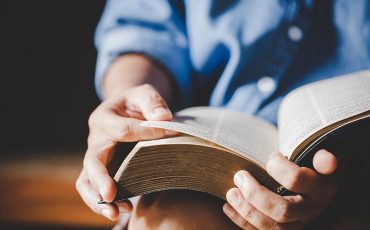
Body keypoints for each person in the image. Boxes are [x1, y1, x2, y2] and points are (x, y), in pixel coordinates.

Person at [76, 0, 370, 229]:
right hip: (198, 154)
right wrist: (129, 94)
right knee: (173, 217)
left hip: (353, 175)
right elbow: (146, 28)